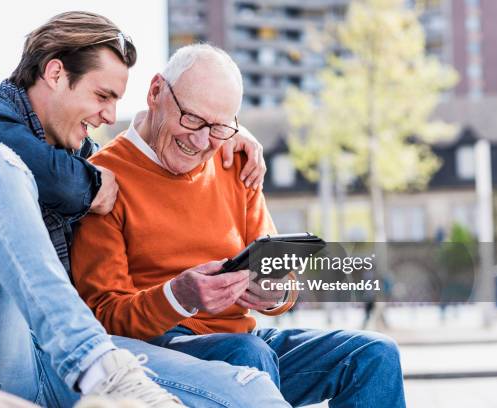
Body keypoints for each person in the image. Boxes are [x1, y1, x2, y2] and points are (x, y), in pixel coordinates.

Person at [0, 11, 286, 408]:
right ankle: (97, 365)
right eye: (102, 96)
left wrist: (226, 131)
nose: (111, 115)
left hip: (47, 361)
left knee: (248, 388)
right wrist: (95, 180)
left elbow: (118, 152)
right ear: (56, 73)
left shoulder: (83, 158)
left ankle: (99, 369)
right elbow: (53, 174)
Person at [71, 44, 407, 408]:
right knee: (248, 356)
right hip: (161, 352)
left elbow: (284, 285)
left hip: (246, 342)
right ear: (155, 92)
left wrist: (274, 293)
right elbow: (104, 316)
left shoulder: (236, 161)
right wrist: (179, 296)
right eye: (192, 119)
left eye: (217, 127)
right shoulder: (103, 180)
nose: (200, 142)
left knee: (374, 354)